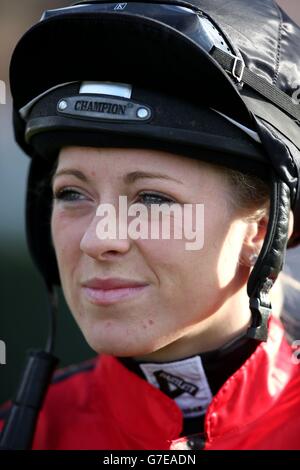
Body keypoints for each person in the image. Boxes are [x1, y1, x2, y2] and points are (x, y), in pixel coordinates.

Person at [0, 0, 300, 450]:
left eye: (153, 199)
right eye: (72, 194)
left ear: (259, 232)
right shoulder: (24, 433)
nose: (99, 239)